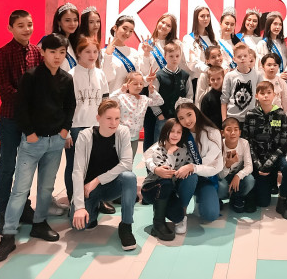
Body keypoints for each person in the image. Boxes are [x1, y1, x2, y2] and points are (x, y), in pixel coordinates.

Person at [0, 33, 75, 262]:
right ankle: (8, 234)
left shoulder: (66, 79)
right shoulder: (30, 76)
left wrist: (64, 131)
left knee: (46, 188)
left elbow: (70, 106)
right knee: (20, 189)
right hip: (32, 141)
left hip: (55, 141)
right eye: (52, 52)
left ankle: (39, 223)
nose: (57, 57)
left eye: (61, 52)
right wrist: (29, 133)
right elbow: (21, 107)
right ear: (43, 52)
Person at [0, 9, 42, 235]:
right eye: (20, 25)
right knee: (7, 166)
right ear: (10, 28)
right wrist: (30, 101)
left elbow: (42, 84)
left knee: (27, 166)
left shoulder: (37, 53)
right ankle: (3, 211)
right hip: (11, 119)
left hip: (32, 121)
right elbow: (4, 89)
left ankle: (24, 207)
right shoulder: (2, 54)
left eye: (29, 24)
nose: (26, 29)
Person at [70, 100, 137, 250]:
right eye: (109, 118)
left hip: (111, 186)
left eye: (117, 118)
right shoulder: (85, 136)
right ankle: (93, 207)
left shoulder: (123, 132)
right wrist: (79, 207)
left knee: (129, 177)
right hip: (89, 190)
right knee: (80, 226)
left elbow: (127, 164)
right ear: (98, 118)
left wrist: (97, 180)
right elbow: (77, 171)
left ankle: (126, 226)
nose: (114, 123)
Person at [65, 36, 110, 204]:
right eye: (87, 52)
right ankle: (74, 201)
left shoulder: (100, 74)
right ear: (79, 53)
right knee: (75, 166)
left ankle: (97, 200)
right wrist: (66, 132)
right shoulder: (71, 75)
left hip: (97, 127)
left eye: (95, 51)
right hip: (76, 127)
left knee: (98, 165)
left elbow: (105, 101)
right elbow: (64, 107)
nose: (92, 55)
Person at [171, 101, 224, 228]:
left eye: (189, 114)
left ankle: (202, 198)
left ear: (196, 112)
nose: (187, 121)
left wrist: (193, 167)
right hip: (186, 178)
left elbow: (215, 166)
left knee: (210, 215)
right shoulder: (179, 134)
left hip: (206, 179)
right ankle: (182, 210)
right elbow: (158, 149)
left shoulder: (212, 133)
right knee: (191, 176)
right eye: (181, 118)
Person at [141, 118, 192, 241]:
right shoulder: (158, 149)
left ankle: (163, 212)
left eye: (178, 132)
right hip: (151, 188)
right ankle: (158, 223)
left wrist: (187, 168)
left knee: (178, 216)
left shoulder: (184, 150)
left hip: (169, 191)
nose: (175, 135)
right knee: (166, 183)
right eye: (172, 131)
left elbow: (190, 164)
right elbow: (166, 173)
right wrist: (169, 154)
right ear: (165, 132)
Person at [244, 81, 287, 208]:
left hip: (274, 157)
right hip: (256, 160)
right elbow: (246, 142)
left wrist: (269, 162)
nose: (266, 96)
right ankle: (250, 194)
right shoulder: (250, 114)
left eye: (269, 93)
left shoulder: (280, 114)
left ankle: (284, 196)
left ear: (274, 95)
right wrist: (258, 164)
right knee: (262, 202)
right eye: (262, 93)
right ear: (256, 96)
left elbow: (285, 142)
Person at [109, 71, 163, 159]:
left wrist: (152, 91)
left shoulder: (144, 99)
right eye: (135, 84)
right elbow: (110, 98)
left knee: (131, 160)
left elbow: (160, 101)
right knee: (118, 160)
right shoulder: (122, 97)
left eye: (141, 84)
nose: (138, 86)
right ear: (127, 85)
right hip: (121, 136)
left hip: (135, 136)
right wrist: (121, 90)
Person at [152, 41, 193, 144]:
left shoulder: (185, 75)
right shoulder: (159, 76)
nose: (174, 59)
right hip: (163, 118)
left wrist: (185, 115)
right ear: (165, 56)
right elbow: (152, 97)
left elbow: (189, 96)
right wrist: (159, 115)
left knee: (179, 145)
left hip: (180, 119)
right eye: (171, 56)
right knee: (160, 145)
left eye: (177, 56)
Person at [102, 15, 151, 93]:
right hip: (113, 98)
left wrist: (146, 54)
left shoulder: (133, 52)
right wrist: (108, 56)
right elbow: (105, 78)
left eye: (131, 31)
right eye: (124, 28)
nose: (127, 33)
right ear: (115, 28)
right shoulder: (103, 52)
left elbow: (142, 80)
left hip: (131, 99)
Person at [218, 117, 255, 212]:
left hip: (238, 175)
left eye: (236, 129)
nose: (233, 133)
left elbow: (249, 166)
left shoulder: (244, 143)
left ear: (240, 132)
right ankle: (219, 198)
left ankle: (236, 197)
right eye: (229, 130)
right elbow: (219, 175)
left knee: (250, 180)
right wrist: (227, 165)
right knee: (221, 186)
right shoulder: (219, 146)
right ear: (222, 133)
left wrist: (238, 176)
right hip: (224, 176)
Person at [182, 6, 219, 93]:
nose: (206, 18)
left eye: (208, 16)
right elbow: (191, 62)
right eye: (202, 16)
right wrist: (207, 70)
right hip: (197, 80)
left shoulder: (213, 39)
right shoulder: (188, 39)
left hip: (214, 79)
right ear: (196, 18)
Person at [221, 43, 260, 124]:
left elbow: (260, 98)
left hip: (251, 118)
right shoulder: (229, 76)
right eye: (239, 57)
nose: (242, 58)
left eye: (245, 56)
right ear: (234, 59)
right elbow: (224, 100)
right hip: (233, 118)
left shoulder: (257, 75)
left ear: (249, 57)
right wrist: (224, 120)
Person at [42, 2, 80, 72]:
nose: (72, 24)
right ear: (59, 22)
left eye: (75, 20)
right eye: (67, 20)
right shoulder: (50, 41)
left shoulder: (72, 43)